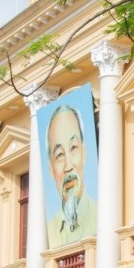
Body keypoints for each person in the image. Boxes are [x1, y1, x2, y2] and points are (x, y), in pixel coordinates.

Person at [44, 104, 98, 246]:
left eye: (73, 148)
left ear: (84, 153)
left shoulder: (102, 214)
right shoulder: (46, 233)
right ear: (50, 168)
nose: (68, 166)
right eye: (59, 155)